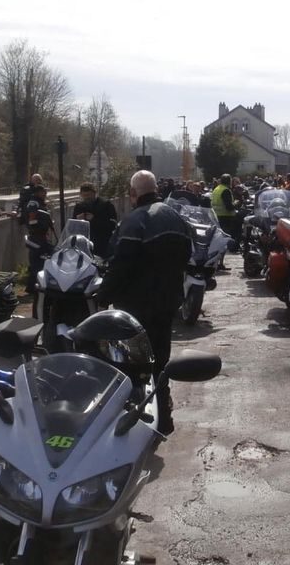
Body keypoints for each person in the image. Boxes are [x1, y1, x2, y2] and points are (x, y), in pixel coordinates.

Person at [96, 170, 192, 435]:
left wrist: (103, 295)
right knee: (160, 362)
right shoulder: (175, 217)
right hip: (167, 303)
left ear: (134, 193)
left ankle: (131, 421)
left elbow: (120, 263)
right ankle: (164, 417)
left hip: (136, 305)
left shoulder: (135, 220)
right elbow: (188, 253)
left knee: (129, 363)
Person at [70, 182, 118, 258]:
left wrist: (94, 220)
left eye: (88, 196)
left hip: (102, 245)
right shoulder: (79, 207)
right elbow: (72, 228)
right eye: (84, 196)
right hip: (84, 246)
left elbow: (112, 225)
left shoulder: (106, 205)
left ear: (94, 193)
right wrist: (77, 220)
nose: (86, 198)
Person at [24, 186, 56, 296]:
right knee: (36, 263)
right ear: (38, 192)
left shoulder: (40, 202)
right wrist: (40, 226)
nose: (45, 193)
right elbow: (32, 219)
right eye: (43, 192)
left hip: (41, 236)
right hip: (36, 238)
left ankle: (35, 286)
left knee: (41, 261)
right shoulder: (34, 203)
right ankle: (32, 288)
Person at [211, 174, 238, 244]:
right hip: (226, 217)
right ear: (229, 181)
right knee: (225, 239)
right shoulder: (226, 190)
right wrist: (236, 203)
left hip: (216, 217)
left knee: (218, 238)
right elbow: (229, 207)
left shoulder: (216, 189)